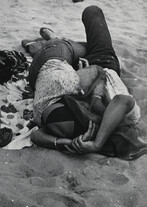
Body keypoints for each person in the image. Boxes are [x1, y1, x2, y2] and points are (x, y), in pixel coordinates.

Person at [23, 6, 145, 158]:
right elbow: (122, 100)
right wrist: (95, 144)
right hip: (102, 64)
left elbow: (37, 135)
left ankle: (52, 40)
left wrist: (71, 143)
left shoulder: (85, 125)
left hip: (77, 67)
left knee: (88, 21)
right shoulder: (131, 116)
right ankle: (50, 40)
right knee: (91, 17)